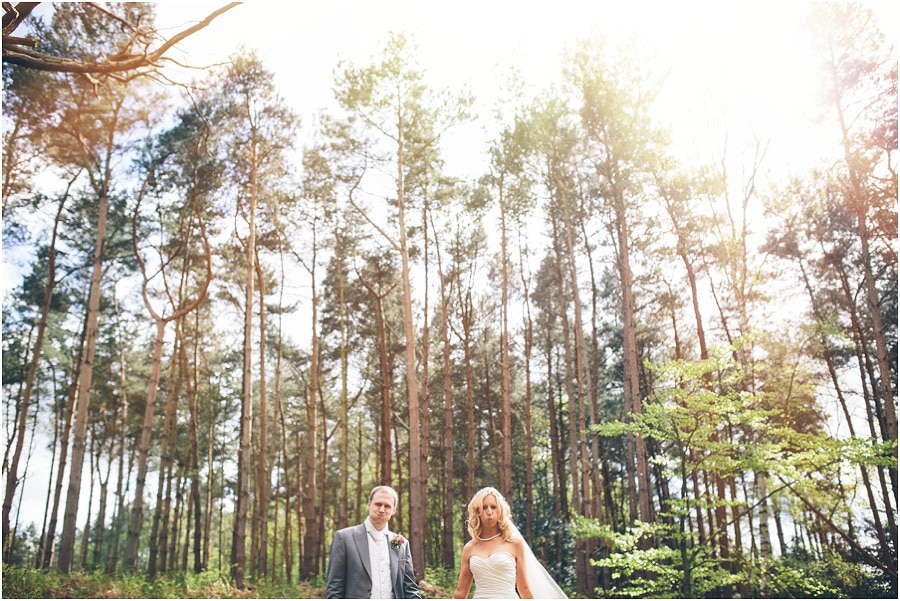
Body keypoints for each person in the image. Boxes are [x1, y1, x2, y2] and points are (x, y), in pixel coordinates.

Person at [453, 487, 567, 599]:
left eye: (493, 507)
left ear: (500, 511)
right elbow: (460, 592)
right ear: (478, 512)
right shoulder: (470, 548)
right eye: (484, 507)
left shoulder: (514, 544)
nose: (489, 511)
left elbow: (524, 588)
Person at [325, 485, 421, 599]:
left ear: (393, 510)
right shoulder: (344, 538)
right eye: (378, 504)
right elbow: (334, 588)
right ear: (369, 505)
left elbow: (410, 588)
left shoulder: (402, 544)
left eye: (387, 506)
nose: (381, 509)